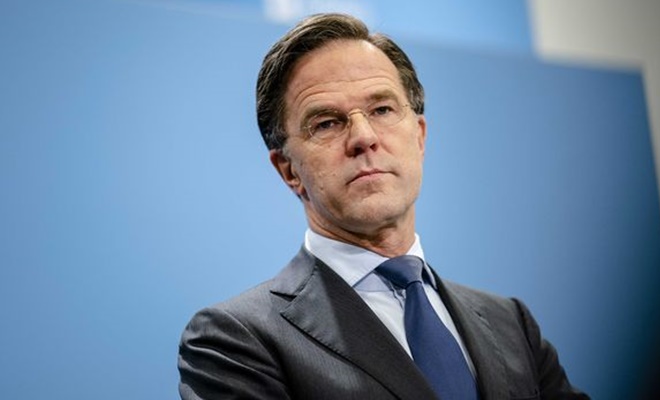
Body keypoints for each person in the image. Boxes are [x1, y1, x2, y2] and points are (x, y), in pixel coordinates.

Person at [177, 12, 589, 400]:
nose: (364, 137)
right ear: (288, 170)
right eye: (326, 123)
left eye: (382, 109)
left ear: (420, 137)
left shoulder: (511, 324)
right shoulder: (235, 341)